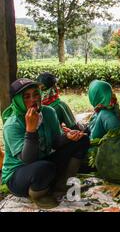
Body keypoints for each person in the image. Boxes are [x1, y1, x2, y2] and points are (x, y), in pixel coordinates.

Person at [1, 78, 89, 209]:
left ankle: (62, 183)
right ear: (17, 100)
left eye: (36, 94)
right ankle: (38, 194)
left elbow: (55, 143)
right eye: (26, 97)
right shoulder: (12, 125)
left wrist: (67, 137)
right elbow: (28, 159)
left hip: (43, 161)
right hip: (18, 175)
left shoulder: (48, 112)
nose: (33, 100)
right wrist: (31, 130)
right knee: (44, 168)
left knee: (81, 140)